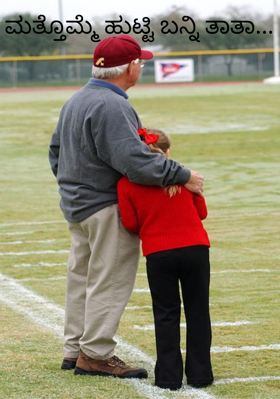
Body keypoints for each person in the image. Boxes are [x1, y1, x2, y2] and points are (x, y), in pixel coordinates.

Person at [49, 34, 204, 379]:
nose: (142, 67)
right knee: (109, 279)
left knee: (82, 278)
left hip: (77, 206)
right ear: (131, 67)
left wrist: (74, 187)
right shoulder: (112, 103)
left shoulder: (77, 99)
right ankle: (95, 354)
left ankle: (75, 348)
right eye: (141, 62)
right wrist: (183, 175)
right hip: (104, 207)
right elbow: (136, 161)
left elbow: (55, 152)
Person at [117, 128, 214, 389]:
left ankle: (169, 377)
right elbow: (201, 213)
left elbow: (130, 223)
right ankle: (201, 374)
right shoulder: (186, 177)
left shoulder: (126, 183)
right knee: (198, 311)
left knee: (166, 313)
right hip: (196, 248)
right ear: (167, 152)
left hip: (159, 252)